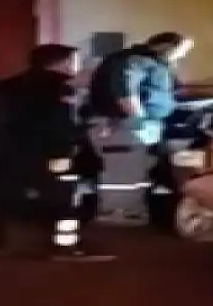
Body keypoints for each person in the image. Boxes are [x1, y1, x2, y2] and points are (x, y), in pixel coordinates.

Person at [0, 43, 112, 261]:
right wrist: (77, 143)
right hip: (51, 153)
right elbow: (62, 124)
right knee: (63, 198)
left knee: (1, 195)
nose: (77, 66)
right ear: (62, 63)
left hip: (7, 151)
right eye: (74, 61)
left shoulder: (5, 86)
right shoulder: (65, 88)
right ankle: (65, 246)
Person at [83, 32, 193, 224]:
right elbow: (125, 92)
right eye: (181, 50)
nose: (182, 55)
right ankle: (119, 213)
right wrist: (138, 121)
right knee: (125, 173)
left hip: (131, 122)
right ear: (166, 46)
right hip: (124, 123)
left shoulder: (149, 62)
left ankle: (129, 210)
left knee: (134, 170)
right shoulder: (137, 61)